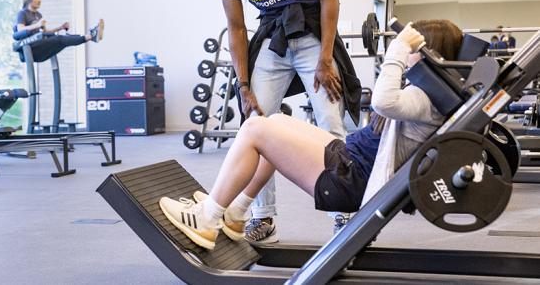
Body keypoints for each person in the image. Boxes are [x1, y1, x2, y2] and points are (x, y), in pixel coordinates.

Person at [160, 20, 464, 250]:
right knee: (273, 122)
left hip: (350, 179)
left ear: (426, 53)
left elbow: (384, 101)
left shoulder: (425, 98)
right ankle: (237, 213)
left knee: (255, 129)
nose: (408, 54)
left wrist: (398, 51)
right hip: (350, 159)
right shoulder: (430, 94)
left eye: (414, 51)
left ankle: (208, 219)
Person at [214, 0, 361, 242]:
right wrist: (243, 86)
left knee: (329, 120)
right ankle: (263, 219)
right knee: (257, 125)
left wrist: (326, 60)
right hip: (273, 37)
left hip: (311, 31)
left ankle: (344, 215)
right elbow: (236, 28)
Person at [13, 0, 104, 63]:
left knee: (63, 40)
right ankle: (91, 36)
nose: (39, 0)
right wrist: (37, 25)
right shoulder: (22, 13)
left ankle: (91, 36)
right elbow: (20, 29)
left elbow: (45, 32)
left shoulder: (38, 15)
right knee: (59, 39)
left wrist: (60, 28)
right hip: (30, 49)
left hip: (40, 45)